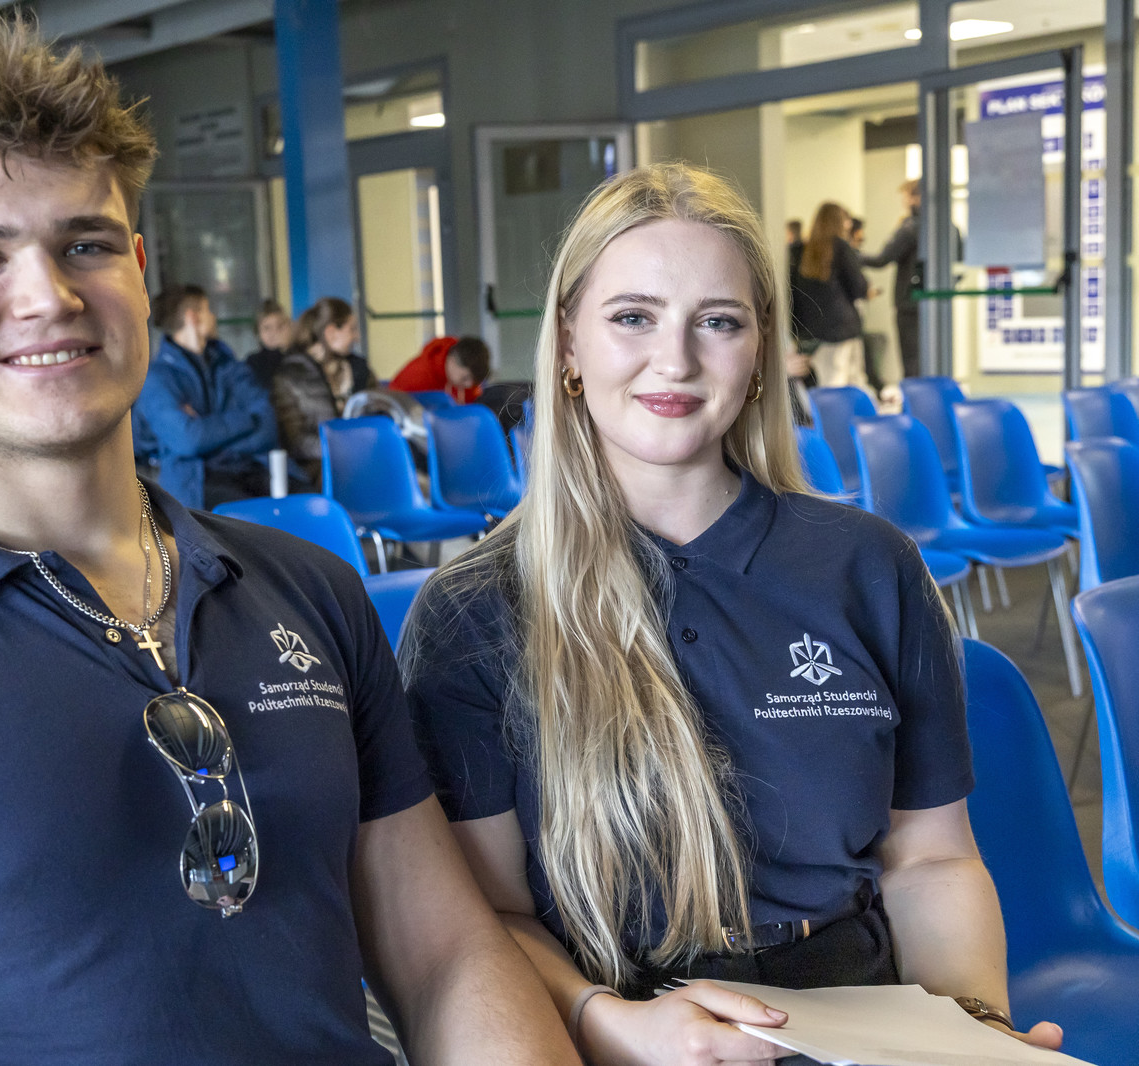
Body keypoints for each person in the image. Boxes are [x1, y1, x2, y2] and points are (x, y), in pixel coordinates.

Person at [0, 16, 581, 1066]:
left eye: (85, 245)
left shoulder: (311, 592)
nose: (46, 296)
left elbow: (445, 958)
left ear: (137, 268)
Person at [400, 163, 1062, 1065]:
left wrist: (975, 1032)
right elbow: (490, 920)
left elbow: (932, 860)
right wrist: (612, 1024)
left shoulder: (869, 566)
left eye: (718, 322)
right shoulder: (473, 612)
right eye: (633, 317)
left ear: (759, 354)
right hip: (616, 1027)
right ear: (567, 345)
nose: (675, 360)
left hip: (860, 1017)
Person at [132, 284, 277, 509]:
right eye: (209, 310)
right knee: (257, 516)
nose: (214, 317)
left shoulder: (227, 365)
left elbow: (268, 424)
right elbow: (189, 440)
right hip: (197, 488)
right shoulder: (157, 379)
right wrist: (246, 419)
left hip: (254, 472)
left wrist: (208, 437)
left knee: (306, 505)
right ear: (193, 317)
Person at [269, 297, 375, 482]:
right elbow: (296, 442)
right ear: (331, 333)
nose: (357, 337)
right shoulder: (290, 377)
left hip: (365, 461)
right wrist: (344, 448)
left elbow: (380, 414)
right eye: (352, 329)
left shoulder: (360, 370)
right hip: (317, 471)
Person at [790, 201, 869, 390]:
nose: (849, 224)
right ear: (838, 222)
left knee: (825, 386)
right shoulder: (840, 247)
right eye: (846, 220)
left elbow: (793, 293)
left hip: (812, 331)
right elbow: (859, 288)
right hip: (842, 328)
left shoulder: (799, 250)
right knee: (847, 386)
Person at [861, 179, 923, 381]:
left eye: (906, 196)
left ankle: (914, 398)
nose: (904, 202)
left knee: (911, 360)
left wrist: (850, 255)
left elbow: (882, 259)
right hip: (933, 304)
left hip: (909, 303)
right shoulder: (947, 227)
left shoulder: (910, 228)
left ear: (915, 198)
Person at [389, 335, 492, 404]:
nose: (469, 385)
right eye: (465, 378)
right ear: (452, 360)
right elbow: (391, 406)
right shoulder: (416, 377)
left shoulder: (466, 381)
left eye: (474, 381)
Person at [245, 299, 294, 390]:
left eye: (280, 326)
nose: (274, 332)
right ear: (258, 333)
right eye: (267, 328)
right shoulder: (252, 364)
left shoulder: (299, 358)